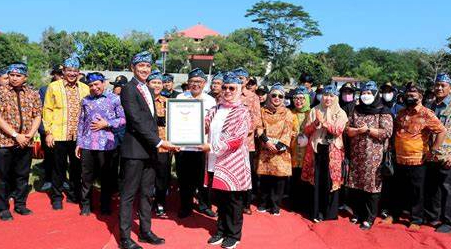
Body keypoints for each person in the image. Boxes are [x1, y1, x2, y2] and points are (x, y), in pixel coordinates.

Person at [119, 51, 179, 249]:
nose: (144, 69)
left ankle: (145, 232)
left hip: (149, 151)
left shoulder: (147, 88)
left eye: (147, 66)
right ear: (132, 68)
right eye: (140, 66)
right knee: (128, 195)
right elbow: (136, 121)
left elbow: (151, 121)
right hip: (135, 151)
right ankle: (125, 238)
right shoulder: (129, 89)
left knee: (146, 194)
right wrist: (160, 142)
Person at [197, 71, 252, 249]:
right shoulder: (215, 109)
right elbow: (202, 127)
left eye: (232, 88)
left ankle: (233, 234)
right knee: (219, 200)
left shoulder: (242, 111)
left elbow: (236, 140)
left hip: (232, 163)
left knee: (233, 201)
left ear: (239, 89)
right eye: (225, 87)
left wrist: (211, 147)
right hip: (213, 162)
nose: (227, 91)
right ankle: (220, 230)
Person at [383, 83, 446, 230]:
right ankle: (394, 214)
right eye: (407, 95)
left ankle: (416, 220)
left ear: (421, 96)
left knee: (416, 191)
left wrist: (432, 150)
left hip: (418, 159)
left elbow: (441, 131)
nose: (409, 97)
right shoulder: (401, 112)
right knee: (397, 188)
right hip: (399, 158)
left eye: (413, 95)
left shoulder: (427, 113)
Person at [75, 72, 125, 216]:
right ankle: (86, 204)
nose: (94, 87)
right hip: (87, 143)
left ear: (103, 83)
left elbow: (123, 119)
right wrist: (79, 142)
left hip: (107, 144)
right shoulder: (85, 100)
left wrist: (107, 123)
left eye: (97, 84)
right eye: (91, 85)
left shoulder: (114, 99)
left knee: (106, 176)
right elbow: (81, 122)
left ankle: (105, 204)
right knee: (86, 176)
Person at [43, 56, 90, 210]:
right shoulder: (54, 87)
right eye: (69, 70)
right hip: (58, 134)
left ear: (79, 72)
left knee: (77, 168)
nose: (72, 73)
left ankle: (75, 194)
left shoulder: (84, 88)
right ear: (63, 71)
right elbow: (47, 110)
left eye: (75, 71)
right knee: (58, 167)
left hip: (78, 136)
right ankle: (56, 197)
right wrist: (48, 132)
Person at [346, 81, 393, 230]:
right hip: (357, 155)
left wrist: (368, 130)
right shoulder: (356, 109)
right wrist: (358, 131)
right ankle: (358, 213)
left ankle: (370, 217)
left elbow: (386, 132)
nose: (366, 96)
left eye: (369, 93)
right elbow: (348, 129)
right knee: (357, 185)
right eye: (364, 93)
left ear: (375, 94)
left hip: (375, 157)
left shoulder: (383, 111)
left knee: (372, 188)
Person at [0, 63, 42, 220]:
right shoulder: (1, 92)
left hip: (26, 141)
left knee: (22, 175)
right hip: (5, 141)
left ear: (25, 77)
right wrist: (15, 134)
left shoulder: (32, 93)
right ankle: (3, 208)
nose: (14, 78)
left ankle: (20, 204)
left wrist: (30, 135)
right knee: (3, 177)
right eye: (12, 75)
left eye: (18, 75)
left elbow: (37, 115)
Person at [301, 84, 348, 222]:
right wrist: (315, 123)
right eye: (325, 95)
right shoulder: (314, 110)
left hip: (333, 150)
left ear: (336, 98)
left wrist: (325, 123)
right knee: (316, 180)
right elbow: (306, 131)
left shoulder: (341, 113)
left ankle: (328, 213)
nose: (328, 98)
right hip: (317, 148)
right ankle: (315, 212)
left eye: (331, 96)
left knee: (330, 180)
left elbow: (338, 130)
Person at [176, 68, 217, 218]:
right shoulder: (180, 97)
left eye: (199, 82)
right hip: (183, 145)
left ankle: (204, 205)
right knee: (184, 179)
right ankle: (185, 206)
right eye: (193, 81)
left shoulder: (211, 100)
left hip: (202, 147)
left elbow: (213, 123)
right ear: (188, 82)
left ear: (204, 83)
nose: (195, 84)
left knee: (203, 179)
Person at [256, 83, 294, 216]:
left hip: (281, 150)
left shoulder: (288, 113)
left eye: (280, 96)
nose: (276, 98)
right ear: (269, 96)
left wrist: (278, 146)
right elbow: (259, 127)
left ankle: (275, 206)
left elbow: (289, 130)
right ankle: (263, 203)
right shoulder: (262, 111)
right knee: (265, 178)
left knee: (279, 181)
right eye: (274, 95)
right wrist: (266, 142)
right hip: (266, 147)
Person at [233, 67, 262, 215]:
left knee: (246, 172)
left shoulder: (253, 97)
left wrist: (245, 130)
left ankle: (246, 203)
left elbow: (256, 118)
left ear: (247, 79)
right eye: (236, 77)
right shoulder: (228, 93)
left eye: (241, 78)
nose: (239, 80)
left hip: (246, 142)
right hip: (229, 142)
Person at [424, 73, 451, 233]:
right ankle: (433, 216)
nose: (439, 88)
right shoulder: (430, 106)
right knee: (432, 187)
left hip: (446, 155)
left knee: (447, 188)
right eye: (437, 85)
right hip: (430, 154)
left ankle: (448, 221)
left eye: (443, 85)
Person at [146, 70, 171, 217]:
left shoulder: (168, 103)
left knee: (162, 177)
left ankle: (160, 202)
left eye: (159, 82)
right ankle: (146, 203)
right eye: (153, 82)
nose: (156, 85)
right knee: (146, 178)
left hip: (163, 146)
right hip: (145, 146)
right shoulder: (142, 101)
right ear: (148, 84)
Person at [38, 65, 63, 192]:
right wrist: (45, 130)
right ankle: (48, 180)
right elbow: (42, 111)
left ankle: (62, 180)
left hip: (63, 130)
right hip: (49, 129)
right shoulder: (44, 89)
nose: (60, 76)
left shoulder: (67, 88)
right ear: (54, 74)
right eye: (58, 74)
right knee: (49, 156)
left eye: (62, 73)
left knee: (62, 158)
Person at [289, 86, 311, 212]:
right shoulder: (290, 113)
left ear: (307, 99)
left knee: (305, 178)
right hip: (293, 151)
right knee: (294, 178)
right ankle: (293, 204)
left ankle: (304, 204)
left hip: (307, 152)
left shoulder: (311, 113)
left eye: (302, 98)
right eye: (296, 98)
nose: (299, 101)